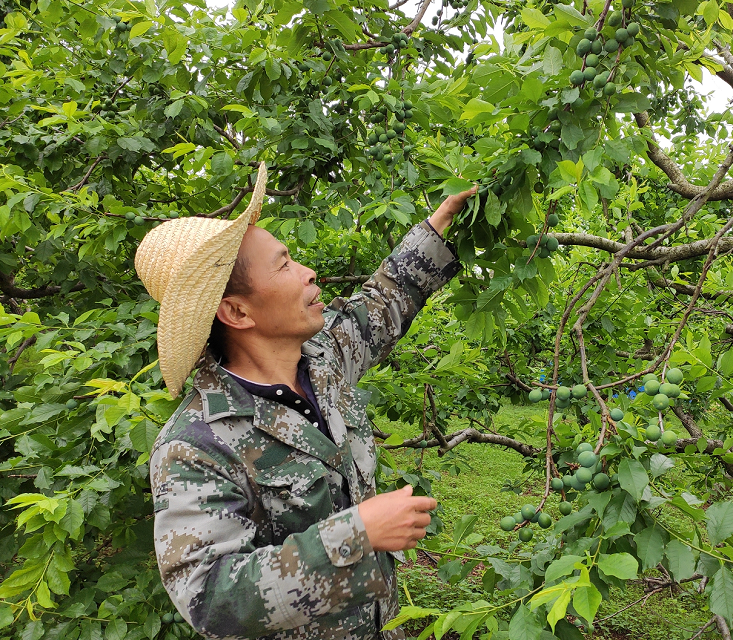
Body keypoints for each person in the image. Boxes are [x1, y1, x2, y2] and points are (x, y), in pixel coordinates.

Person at [134, 162, 478, 640]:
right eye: (284, 264)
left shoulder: (322, 359)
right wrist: (355, 533)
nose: (307, 272)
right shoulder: (195, 445)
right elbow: (211, 599)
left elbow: (387, 297)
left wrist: (442, 221)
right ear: (236, 311)